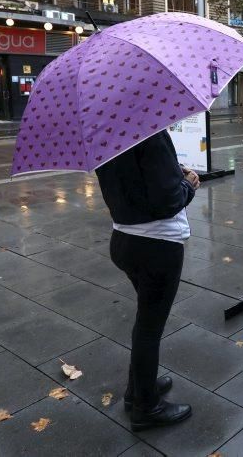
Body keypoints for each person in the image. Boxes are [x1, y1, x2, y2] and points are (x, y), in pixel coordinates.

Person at [95, 130, 199, 431]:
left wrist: (172, 171)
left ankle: (138, 390)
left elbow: (135, 179)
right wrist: (188, 185)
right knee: (149, 329)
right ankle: (146, 407)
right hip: (156, 244)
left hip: (124, 239)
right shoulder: (149, 133)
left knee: (145, 321)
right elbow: (168, 199)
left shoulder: (106, 133)